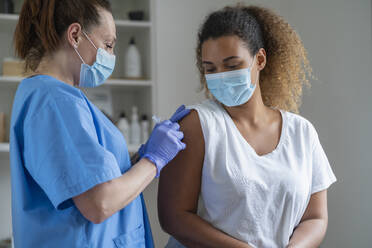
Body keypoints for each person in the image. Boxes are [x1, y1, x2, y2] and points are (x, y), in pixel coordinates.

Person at [9, 0, 189, 247]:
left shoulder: (55, 97)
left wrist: (137, 160)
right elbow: (99, 203)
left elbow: (90, 180)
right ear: (74, 34)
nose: (110, 56)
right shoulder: (53, 100)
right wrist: (154, 160)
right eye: (108, 45)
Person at [158, 5, 336, 248]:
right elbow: (173, 217)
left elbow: (315, 217)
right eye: (210, 68)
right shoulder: (198, 124)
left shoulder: (302, 133)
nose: (220, 76)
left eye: (232, 66)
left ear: (260, 59)